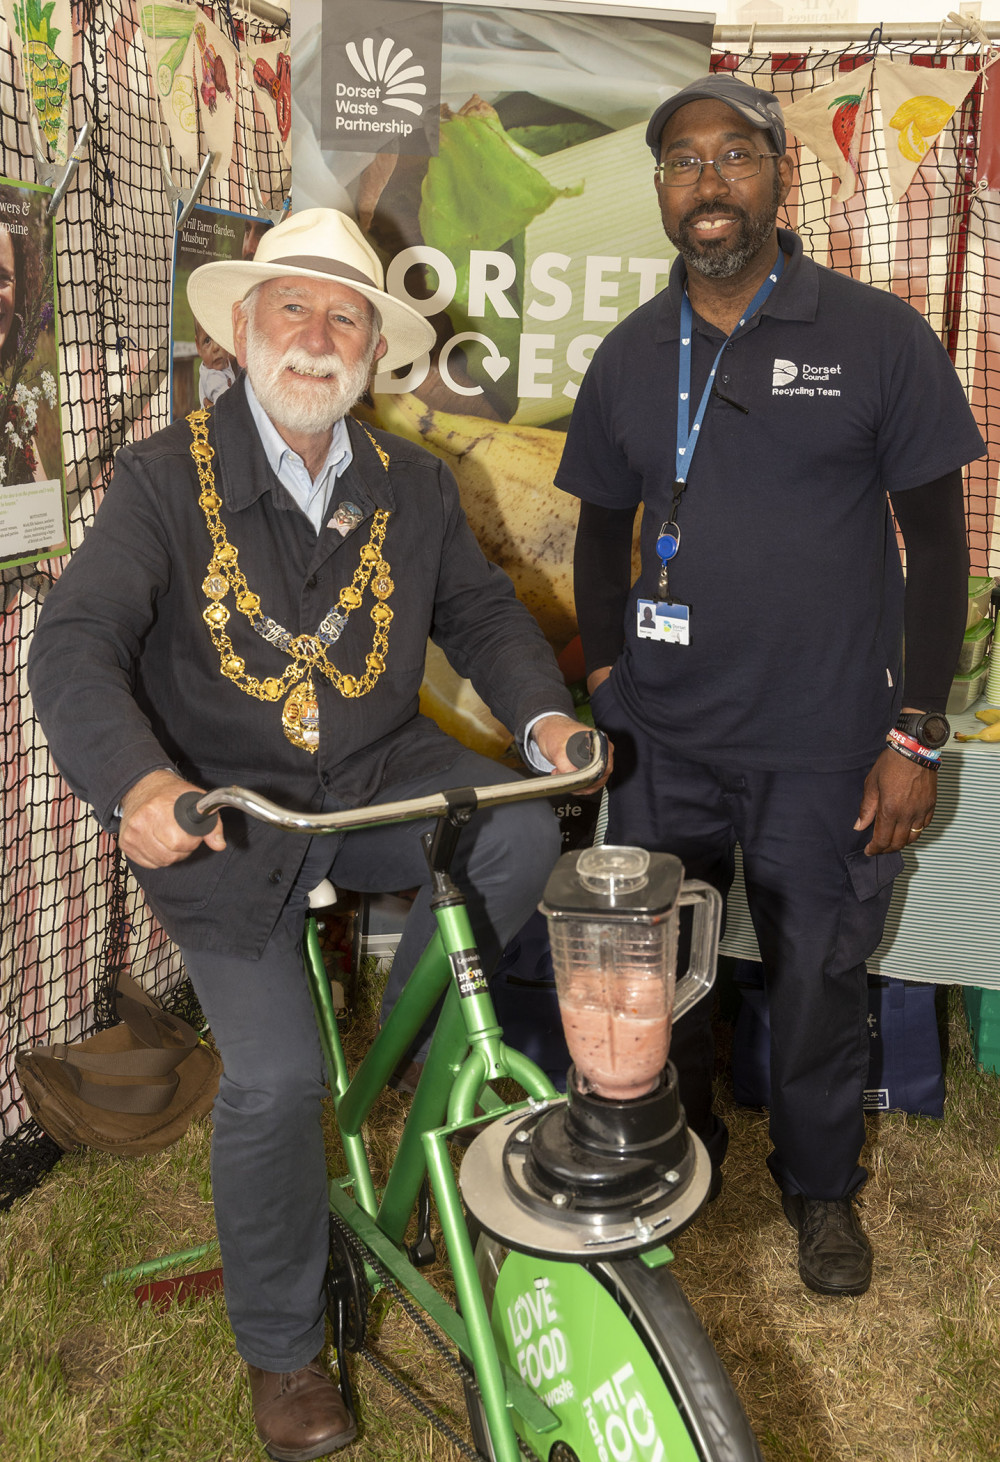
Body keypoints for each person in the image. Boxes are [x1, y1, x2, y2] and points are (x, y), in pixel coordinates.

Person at [28, 208, 600, 1460]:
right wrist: (137, 786)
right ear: (242, 329)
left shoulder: (411, 482)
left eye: (346, 315)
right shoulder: (156, 477)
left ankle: (402, 1070)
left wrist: (546, 718)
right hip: (224, 808)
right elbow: (73, 644)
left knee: (515, 839)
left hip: (378, 770)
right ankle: (284, 1350)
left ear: (370, 349)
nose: (319, 333)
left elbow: (486, 619)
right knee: (278, 1081)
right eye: (294, 307)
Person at [556, 75, 983, 1299]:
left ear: (779, 174)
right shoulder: (634, 352)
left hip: (825, 745)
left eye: (732, 155)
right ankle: (668, 1169)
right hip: (663, 747)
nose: (706, 181)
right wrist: (604, 684)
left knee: (815, 985)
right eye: (681, 161)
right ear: (659, 189)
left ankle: (818, 1191)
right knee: (659, 982)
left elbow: (939, 545)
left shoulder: (876, 334)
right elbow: (599, 533)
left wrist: (914, 732)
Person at [193, 317, 236, 407]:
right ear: (198, 346)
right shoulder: (214, 377)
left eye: (219, 336)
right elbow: (227, 407)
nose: (215, 347)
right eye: (207, 340)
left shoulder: (222, 363)